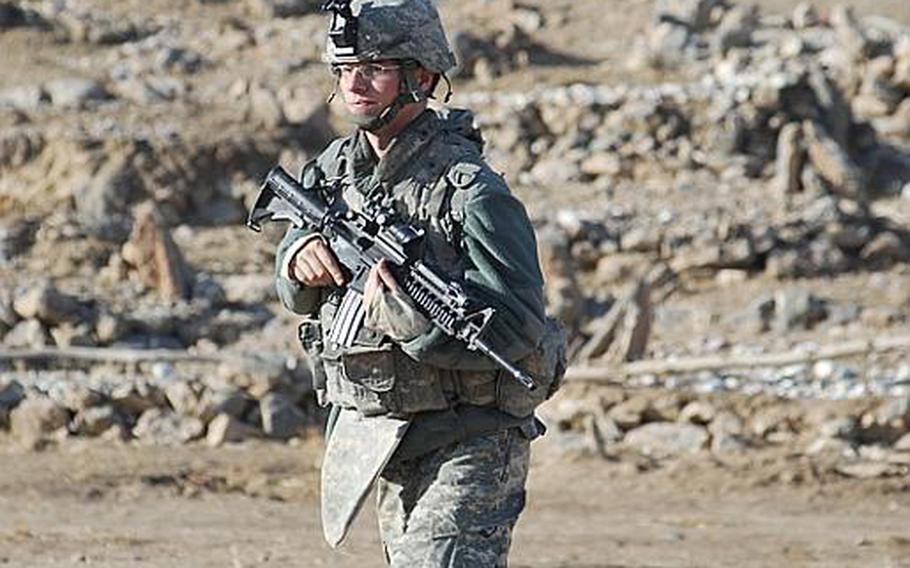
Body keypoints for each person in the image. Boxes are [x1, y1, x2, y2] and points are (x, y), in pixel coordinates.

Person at [273, 0, 560, 565]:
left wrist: (420, 329)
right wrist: (298, 257)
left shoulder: (472, 193)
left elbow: (521, 326)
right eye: (346, 67)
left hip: (471, 439)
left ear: (422, 78)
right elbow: (296, 288)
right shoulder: (332, 173)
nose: (355, 82)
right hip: (382, 436)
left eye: (376, 67)